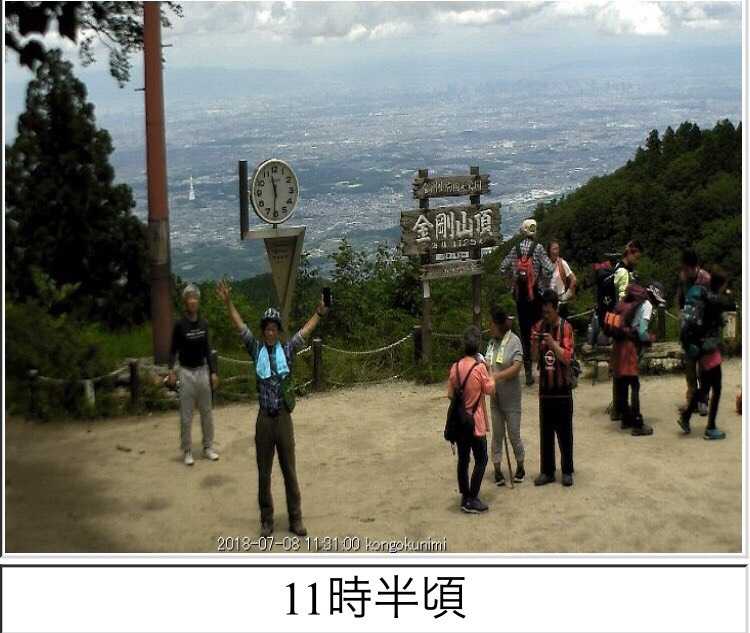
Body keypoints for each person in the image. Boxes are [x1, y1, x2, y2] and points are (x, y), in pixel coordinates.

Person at [216, 279, 328, 537]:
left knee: (289, 470)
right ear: (263, 331)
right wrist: (228, 303)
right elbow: (241, 327)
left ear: (278, 331)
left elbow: (304, 332)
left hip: (283, 418)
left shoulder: (286, 351)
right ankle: (266, 520)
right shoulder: (256, 350)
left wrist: (319, 314)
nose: (269, 333)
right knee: (264, 473)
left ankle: (295, 519)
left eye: (273, 329)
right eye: (266, 329)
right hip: (264, 419)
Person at [677, 268, 736, 439]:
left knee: (704, 387)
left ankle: (686, 417)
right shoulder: (715, 300)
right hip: (710, 349)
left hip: (700, 348)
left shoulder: (703, 297)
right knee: (717, 389)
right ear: (721, 284)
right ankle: (710, 428)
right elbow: (725, 315)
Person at [167, 284, 220, 466]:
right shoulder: (179, 324)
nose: (192, 301)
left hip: (202, 370)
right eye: (189, 298)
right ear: (185, 302)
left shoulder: (204, 323)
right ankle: (187, 449)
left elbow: (207, 349)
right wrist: (171, 370)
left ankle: (208, 447)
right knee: (186, 414)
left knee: (207, 412)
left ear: (198, 301)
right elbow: (173, 350)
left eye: (195, 298)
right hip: (186, 372)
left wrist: (213, 372)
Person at [447, 326, 497, 514]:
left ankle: (464, 496)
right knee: (481, 459)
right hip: (475, 422)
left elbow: (450, 394)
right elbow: (490, 389)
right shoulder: (480, 368)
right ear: (478, 346)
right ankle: (472, 497)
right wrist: (490, 372)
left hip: (460, 422)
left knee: (463, 460)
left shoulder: (455, 367)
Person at [500, 218, 555, 386]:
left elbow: (503, 267)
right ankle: (544, 367)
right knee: (540, 330)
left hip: (520, 298)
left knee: (524, 333)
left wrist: (511, 284)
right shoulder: (538, 249)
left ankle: (528, 372)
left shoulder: (515, 249)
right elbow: (550, 269)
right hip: (536, 297)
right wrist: (543, 284)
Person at [610, 282, 667, 436]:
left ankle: (625, 418)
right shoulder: (647, 305)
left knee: (622, 383)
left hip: (619, 344)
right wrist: (651, 338)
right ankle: (637, 423)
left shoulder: (631, 300)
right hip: (629, 347)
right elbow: (642, 332)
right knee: (634, 384)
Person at [531, 290, 575, 487]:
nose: (545, 315)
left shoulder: (566, 327)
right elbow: (534, 358)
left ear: (556, 309)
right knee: (546, 433)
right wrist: (534, 343)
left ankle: (567, 471)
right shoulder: (538, 326)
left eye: (548, 311)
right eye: (544, 311)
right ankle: (547, 471)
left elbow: (567, 357)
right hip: (545, 389)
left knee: (565, 432)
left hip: (562, 388)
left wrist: (552, 343)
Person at [485, 306, 525, 486]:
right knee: (497, 434)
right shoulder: (491, 343)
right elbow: (487, 364)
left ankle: (520, 465)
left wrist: (497, 376)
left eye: (492, 324)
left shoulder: (514, 341)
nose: (490, 327)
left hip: (512, 397)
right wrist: (489, 379)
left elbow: (516, 367)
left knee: (514, 433)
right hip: (495, 397)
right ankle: (497, 469)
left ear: (498, 324)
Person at [608, 240, 643, 421]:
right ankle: (621, 409)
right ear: (630, 253)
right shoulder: (623, 272)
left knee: (619, 367)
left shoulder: (620, 269)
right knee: (624, 370)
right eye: (636, 257)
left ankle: (618, 408)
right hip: (622, 325)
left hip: (616, 323)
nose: (637, 260)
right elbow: (623, 299)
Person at [677, 249, 711, 416]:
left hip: (703, 329)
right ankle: (691, 400)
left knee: (703, 367)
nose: (684, 272)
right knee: (690, 367)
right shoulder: (683, 278)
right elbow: (680, 299)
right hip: (688, 329)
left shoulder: (706, 279)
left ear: (694, 267)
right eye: (683, 268)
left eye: (686, 269)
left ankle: (703, 401)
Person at [547, 239, 577, 319]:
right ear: (549, 251)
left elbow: (573, 279)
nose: (557, 251)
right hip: (548, 301)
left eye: (558, 249)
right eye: (554, 249)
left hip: (560, 300)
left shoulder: (562, 263)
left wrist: (566, 296)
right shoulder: (544, 263)